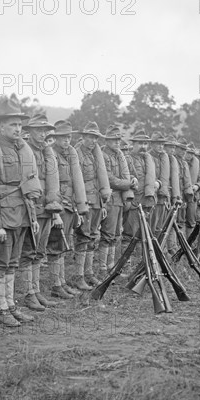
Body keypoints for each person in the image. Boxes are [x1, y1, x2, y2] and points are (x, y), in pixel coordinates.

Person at [0, 97, 40, 327]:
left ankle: (10, 304)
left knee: (13, 263)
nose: (18, 129)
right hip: (3, 219)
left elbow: (30, 186)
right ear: (1, 126)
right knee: (0, 264)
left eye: (20, 125)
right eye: (12, 125)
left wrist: (32, 217)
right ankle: (1, 308)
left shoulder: (24, 150)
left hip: (21, 217)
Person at [18, 114, 62, 310]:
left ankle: (35, 292)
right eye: (38, 130)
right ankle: (28, 294)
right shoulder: (24, 151)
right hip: (31, 207)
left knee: (39, 251)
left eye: (45, 131)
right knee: (28, 251)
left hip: (46, 207)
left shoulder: (46, 151)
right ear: (29, 132)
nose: (43, 134)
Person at [47, 120, 89, 297]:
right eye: (63, 137)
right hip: (59, 204)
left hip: (70, 204)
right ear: (55, 138)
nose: (66, 140)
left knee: (65, 245)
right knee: (56, 244)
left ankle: (62, 282)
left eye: (69, 136)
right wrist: (55, 212)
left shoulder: (71, 154)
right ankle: (56, 285)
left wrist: (79, 208)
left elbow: (77, 182)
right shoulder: (51, 153)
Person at [74, 121, 111, 287]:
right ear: (83, 137)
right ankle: (78, 276)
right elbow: (75, 181)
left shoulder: (96, 154)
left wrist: (102, 204)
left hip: (97, 202)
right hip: (85, 202)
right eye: (90, 137)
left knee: (93, 237)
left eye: (95, 138)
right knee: (83, 237)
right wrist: (78, 205)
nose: (93, 140)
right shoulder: (76, 154)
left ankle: (88, 273)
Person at [99, 125, 134, 277]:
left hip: (119, 199)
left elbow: (125, 175)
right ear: (107, 140)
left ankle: (111, 267)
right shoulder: (103, 155)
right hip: (109, 199)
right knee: (107, 234)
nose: (117, 143)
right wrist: (129, 184)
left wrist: (130, 180)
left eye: (118, 140)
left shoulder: (119, 155)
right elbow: (110, 179)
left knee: (115, 235)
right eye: (113, 140)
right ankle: (102, 269)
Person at [122, 130, 156, 250]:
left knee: (145, 232)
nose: (143, 146)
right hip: (134, 201)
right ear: (133, 144)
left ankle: (141, 260)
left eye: (145, 144)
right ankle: (126, 264)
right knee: (129, 232)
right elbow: (123, 176)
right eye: (140, 143)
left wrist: (158, 183)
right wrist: (131, 179)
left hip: (147, 201)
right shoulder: (126, 158)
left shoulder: (148, 159)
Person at [148, 132, 170, 233]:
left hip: (162, 196)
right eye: (158, 144)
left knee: (159, 227)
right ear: (152, 144)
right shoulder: (147, 157)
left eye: (162, 144)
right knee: (150, 225)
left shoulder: (163, 158)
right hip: (151, 195)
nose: (161, 146)